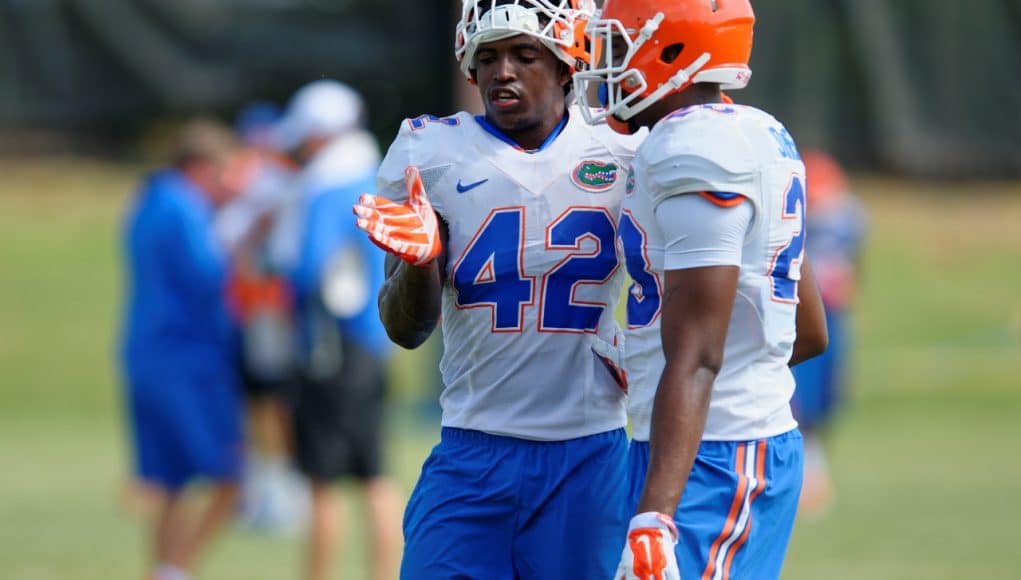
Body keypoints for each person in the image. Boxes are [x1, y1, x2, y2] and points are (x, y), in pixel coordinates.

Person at [351, 1, 643, 577]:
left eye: (523, 54)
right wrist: (422, 261)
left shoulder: (626, 154)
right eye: (487, 58)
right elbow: (404, 330)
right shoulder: (427, 155)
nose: (502, 71)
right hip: (472, 449)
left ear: (566, 67)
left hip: (587, 452)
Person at [572, 1, 829, 578]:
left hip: (713, 457)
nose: (606, 64)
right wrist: (648, 366)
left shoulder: (696, 150)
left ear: (671, 49)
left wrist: (656, 515)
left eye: (619, 45)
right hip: (698, 444)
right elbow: (807, 330)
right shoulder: (760, 133)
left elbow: (698, 353)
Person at [273, 79, 402, 580]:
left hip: (331, 347)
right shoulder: (374, 178)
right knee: (375, 474)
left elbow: (306, 268)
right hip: (373, 343)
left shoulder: (327, 188)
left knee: (322, 481)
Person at [121, 119, 251, 580]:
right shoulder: (184, 209)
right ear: (200, 168)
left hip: (147, 355)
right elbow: (210, 277)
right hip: (189, 360)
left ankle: (161, 567)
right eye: (222, 175)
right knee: (230, 474)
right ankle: (176, 570)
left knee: (171, 480)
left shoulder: (147, 200)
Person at [218, 101, 308, 535]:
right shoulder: (250, 174)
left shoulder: (281, 178)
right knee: (253, 400)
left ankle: (284, 487)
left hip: (270, 304)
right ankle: (261, 485)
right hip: (245, 303)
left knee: (273, 398)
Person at [791, 150, 867, 517]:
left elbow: (854, 268)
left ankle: (814, 473)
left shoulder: (849, 218)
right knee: (800, 400)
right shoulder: (799, 218)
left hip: (833, 315)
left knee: (825, 400)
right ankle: (807, 477)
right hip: (802, 317)